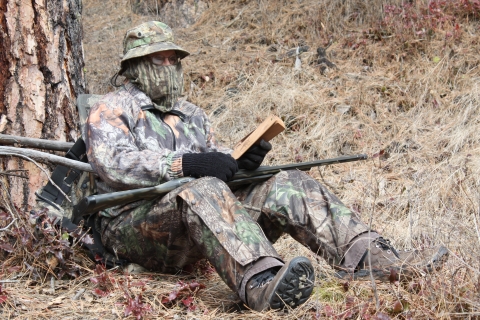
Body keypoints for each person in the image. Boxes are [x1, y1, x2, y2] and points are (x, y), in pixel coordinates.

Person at [84, 21, 448, 312]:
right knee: (203, 188)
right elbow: (115, 166)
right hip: (135, 229)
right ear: (133, 67)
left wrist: (239, 163)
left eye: (173, 60)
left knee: (288, 181)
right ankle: (261, 283)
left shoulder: (192, 113)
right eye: (157, 60)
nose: (168, 68)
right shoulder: (112, 108)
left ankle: (372, 258)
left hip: (201, 224)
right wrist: (189, 164)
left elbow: (215, 162)